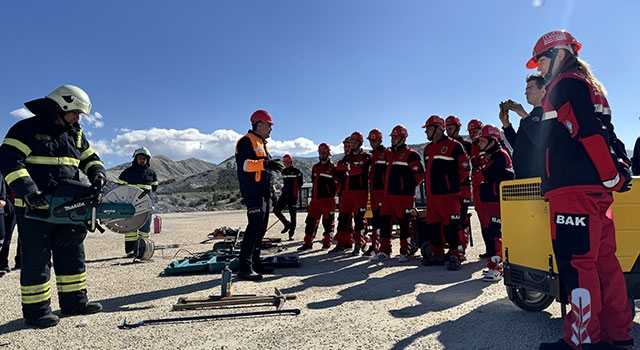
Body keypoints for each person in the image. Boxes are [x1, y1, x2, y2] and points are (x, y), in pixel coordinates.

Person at [526, 30, 633, 350]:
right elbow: (608, 135)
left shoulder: (564, 84)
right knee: (605, 265)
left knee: (577, 264)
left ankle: (583, 339)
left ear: (559, 55)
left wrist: (611, 175)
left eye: (541, 62)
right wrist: (618, 172)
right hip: (594, 192)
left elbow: (588, 133)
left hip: (572, 192)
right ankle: (619, 337)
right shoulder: (590, 87)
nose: (540, 70)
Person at [0, 85, 107, 328]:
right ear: (61, 105)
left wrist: (97, 173)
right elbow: (8, 160)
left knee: (72, 254)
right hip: (34, 208)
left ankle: (74, 302)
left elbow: (89, 158)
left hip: (68, 205)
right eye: (75, 112)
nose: (78, 118)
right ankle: (37, 312)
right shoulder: (26, 129)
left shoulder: (75, 133)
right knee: (37, 260)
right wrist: (29, 191)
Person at [235, 109, 284, 281]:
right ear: (260, 124)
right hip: (253, 192)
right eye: (269, 125)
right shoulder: (246, 141)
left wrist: (272, 191)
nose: (271, 129)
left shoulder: (262, 143)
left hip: (263, 192)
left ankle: (255, 262)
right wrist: (265, 163)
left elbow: (266, 172)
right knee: (254, 227)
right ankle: (244, 267)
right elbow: (245, 165)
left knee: (261, 229)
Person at [421, 115, 470, 271]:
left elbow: (464, 170)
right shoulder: (427, 149)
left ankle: (456, 255)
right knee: (434, 227)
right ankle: (438, 255)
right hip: (432, 197)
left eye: (428, 128)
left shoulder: (454, 146)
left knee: (452, 227)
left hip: (449, 196)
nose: (426, 132)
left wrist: (450, 184)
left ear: (437, 128)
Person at [373, 125, 424, 262]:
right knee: (384, 223)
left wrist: (405, 187)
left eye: (395, 137)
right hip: (387, 196)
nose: (393, 139)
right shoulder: (390, 154)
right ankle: (384, 251)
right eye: (392, 137)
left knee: (404, 224)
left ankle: (404, 252)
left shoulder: (412, 154)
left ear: (403, 138)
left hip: (404, 196)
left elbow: (419, 176)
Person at [476, 125, 514, 281]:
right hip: (486, 201)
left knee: (494, 234)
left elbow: (488, 174)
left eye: (482, 140)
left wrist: (481, 175)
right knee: (488, 233)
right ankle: (492, 263)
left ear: (492, 140)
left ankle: (498, 267)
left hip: (495, 201)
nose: (479, 143)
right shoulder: (486, 156)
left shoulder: (500, 155)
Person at [498, 74, 545, 179]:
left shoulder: (549, 113)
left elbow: (541, 140)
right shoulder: (528, 117)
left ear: (543, 90)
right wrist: (506, 124)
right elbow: (518, 144)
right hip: (522, 178)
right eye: (526, 89)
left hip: (539, 179)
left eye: (530, 88)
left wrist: (524, 115)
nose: (526, 92)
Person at [332, 132, 371, 255]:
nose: (352, 145)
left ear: (360, 143)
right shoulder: (346, 158)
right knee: (343, 219)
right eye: (351, 142)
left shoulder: (366, 156)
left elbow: (359, 170)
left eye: (355, 142)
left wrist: (347, 169)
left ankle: (360, 245)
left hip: (360, 192)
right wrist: (351, 167)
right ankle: (341, 244)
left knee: (360, 219)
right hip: (346, 193)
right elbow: (339, 167)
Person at [117, 147, 159, 256]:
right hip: (131, 204)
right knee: (131, 227)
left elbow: (154, 187)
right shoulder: (127, 172)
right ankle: (130, 251)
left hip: (147, 204)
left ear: (147, 160)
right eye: (140, 158)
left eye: (144, 158)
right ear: (135, 159)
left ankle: (143, 251)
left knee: (145, 227)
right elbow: (120, 187)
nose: (142, 160)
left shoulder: (151, 173)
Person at [298, 143, 339, 251]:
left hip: (328, 201)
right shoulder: (315, 167)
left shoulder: (334, 168)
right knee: (310, 222)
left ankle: (327, 242)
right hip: (315, 200)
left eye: (324, 152)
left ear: (328, 153)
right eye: (320, 153)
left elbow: (338, 185)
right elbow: (314, 181)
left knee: (328, 223)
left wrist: (331, 194)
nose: (322, 155)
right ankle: (307, 243)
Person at [445, 115, 473, 251]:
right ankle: (455, 247)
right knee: (451, 219)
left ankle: (462, 246)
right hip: (450, 189)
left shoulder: (467, 146)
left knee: (461, 217)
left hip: (464, 187)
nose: (448, 131)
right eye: (447, 129)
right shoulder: (445, 146)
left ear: (457, 128)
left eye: (450, 128)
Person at [364, 128, 390, 256]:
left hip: (383, 192)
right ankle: (374, 247)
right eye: (371, 141)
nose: (372, 143)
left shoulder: (386, 153)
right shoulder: (370, 156)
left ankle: (382, 247)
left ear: (380, 140)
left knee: (382, 221)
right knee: (375, 221)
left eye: (374, 141)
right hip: (373, 192)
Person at [273, 154, 303, 241]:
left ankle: (291, 234)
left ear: (291, 162)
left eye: (287, 162)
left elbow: (300, 183)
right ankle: (286, 224)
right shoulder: (284, 171)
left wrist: (294, 190)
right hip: (284, 194)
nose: (286, 164)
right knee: (276, 210)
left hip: (293, 196)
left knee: (293, 215)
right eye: (285, 163)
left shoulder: (297, 171)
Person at [0, 179, 17, 277]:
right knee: (6, 236)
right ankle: (2, 263)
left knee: (23, 237)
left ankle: (20, 261)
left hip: (20, 205)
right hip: (8, 206)